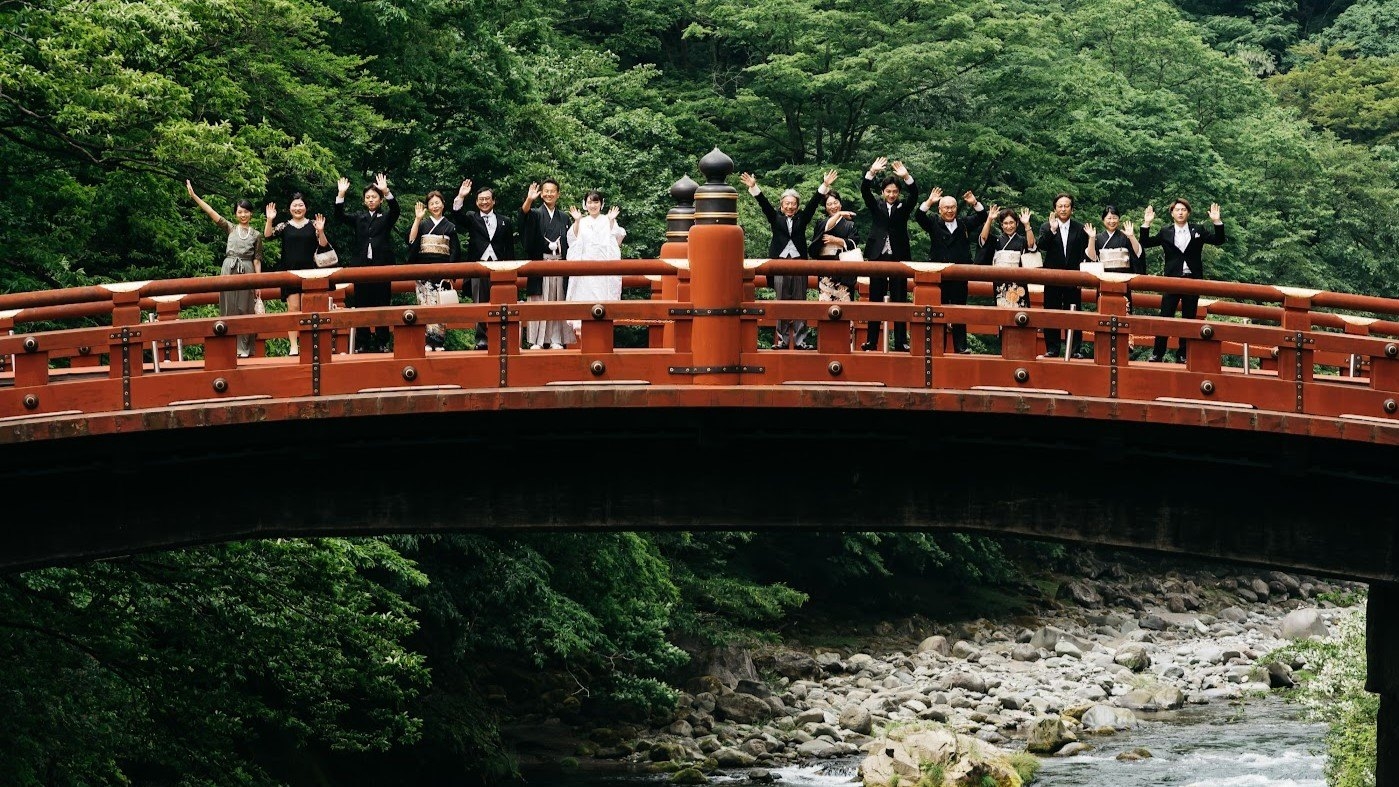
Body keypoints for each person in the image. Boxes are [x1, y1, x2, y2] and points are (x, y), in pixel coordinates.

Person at [740, 169, 834, 350]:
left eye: (793, 204)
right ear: (782, 205)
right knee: (781, 302)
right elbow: (764, 204)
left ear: (797, 206)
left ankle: (800, 341)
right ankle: (783, 340)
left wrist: (825, 186)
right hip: (780, 265)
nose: (790, 207)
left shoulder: (802, 219)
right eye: (787, 204)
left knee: (800, 302)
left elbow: (814, 203)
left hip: (799, 265)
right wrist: (754, 187)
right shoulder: (775, 218)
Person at [1139, 199, 1225, 363]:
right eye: (1177, 210)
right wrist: (1146, 223)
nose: (1180, 212)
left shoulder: (1197, 230)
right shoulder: (1166, 232)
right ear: (1172, 213)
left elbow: (1218, 240)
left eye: (1183, 210)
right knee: (1165, 316)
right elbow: (1145, 243)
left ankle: (1183, 354)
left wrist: (1217, 221)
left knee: (1189, 318)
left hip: (1192, 279)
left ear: (1188, 213)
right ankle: (1158, 352)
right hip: (1172, 279)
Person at [186, 180, 264, 358]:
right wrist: (194, 196)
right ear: (236, 214)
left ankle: (244, 349)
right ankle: (230, 348)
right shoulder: (230, 228)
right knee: (228, 308)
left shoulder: (256, 235)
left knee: (245, 309)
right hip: (228, 267)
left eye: (246, 211)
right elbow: (212, 212)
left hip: (248, 269)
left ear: (251, 213)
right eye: (240, 211)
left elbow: (257, 260)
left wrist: (260, 283)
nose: (243, 214)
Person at [915, 187, 988, 353]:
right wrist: (929, 201)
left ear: (956, 208)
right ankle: (937, 347)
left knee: (959, 311)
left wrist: (974, 203)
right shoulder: (933, 223)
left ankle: (961, 347)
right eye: (946, 208)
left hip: (959, 274)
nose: (949, 211)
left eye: (952, 207)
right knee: (938, 311)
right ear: (940, 209)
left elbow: (982, 216)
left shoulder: (963, 223)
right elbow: (919, 216)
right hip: (939, 275)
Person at [334, 173, 400, 352]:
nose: (371, 200)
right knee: (362, 304)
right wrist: (341, 194)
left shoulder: (385, 217)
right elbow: (339, 216)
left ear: (380, 200)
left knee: (382, 304)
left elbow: (396, 211)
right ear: (364, 201)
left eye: (374, 197)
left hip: (382, 266)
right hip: (361, 266)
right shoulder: (359, 218)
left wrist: (387, 191)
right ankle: (362, 343)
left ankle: (382, 342)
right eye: (368, 197)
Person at [859, 157, 920, 351]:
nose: (892, 194)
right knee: (875, 299)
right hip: (877, 255)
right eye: (888, 191)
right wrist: (872, 172)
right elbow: (864, 191)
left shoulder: (904, 208)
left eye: (895, 191)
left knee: (899, 298)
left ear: (898, 193)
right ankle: (871, 340)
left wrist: (906, 176)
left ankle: (901, 341)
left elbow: (915, 194)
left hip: (898, 255)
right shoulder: (876, 206)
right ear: (883, 192)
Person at [264, 193, 331, 356]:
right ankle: (294, 345)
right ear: (289, 208)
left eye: (300, 205)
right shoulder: (284, 226)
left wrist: (321, 231)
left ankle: (310, 345)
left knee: (310, 309)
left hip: (311, 273)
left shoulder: (314, 224)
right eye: (294, 205)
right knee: (293, 309)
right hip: (291, 273)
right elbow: (268, 235)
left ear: (305, 207)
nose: (297, 208)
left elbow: (323, 245)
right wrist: (270, 219)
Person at [453, 180, 515, 350]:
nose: (484, 202)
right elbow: (457, 215)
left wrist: (512, 270)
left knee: (501, 302)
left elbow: (509, 247)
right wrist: (461, 196)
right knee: (479, 301)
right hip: (478, 265)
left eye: (488, 199)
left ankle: (501, 337)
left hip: (499, 265)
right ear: (476, 202)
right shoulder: (472, 218)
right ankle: (481, 338)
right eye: (481, 199)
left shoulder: (505, 221)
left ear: (493, 201)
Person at [1037, 194, 1097, 359]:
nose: (1063, 209)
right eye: (1060, 206)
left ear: (1072, 208)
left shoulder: (1080, 228)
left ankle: (1075, 349)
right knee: (1051, 311)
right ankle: (1052, 348)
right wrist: (1052, 230)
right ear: (1055, 209)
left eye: (1066, 206)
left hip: (1073, 277)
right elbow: (1041, 246)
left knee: (1074, 312)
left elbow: (1088, 254)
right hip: (1052, 277)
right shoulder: (1046, 226)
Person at [564, 190, 626, 337]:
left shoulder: (607, 219)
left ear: (601, 204)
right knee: (583, 302)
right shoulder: (582, 221)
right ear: (585, 204)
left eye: (596, 201)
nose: (593, 205)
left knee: (603, 302)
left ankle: (602, 334)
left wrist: (611, 221)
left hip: (603, 271)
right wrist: (577, 221)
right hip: (585, 271)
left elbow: (618, 239)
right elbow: (572, 240)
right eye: (590, 202)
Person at [520, 179, 573, 349]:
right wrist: (529, 199)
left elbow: (571, 241)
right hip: (540, 262)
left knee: (558, 299)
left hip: (559, 263)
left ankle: (556, 338)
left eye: (552, 191)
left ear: (558, 194)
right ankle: (537, 340)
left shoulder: (564, 217)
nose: (549, 194)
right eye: (546, 191)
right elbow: (524, 215)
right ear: (541, 194)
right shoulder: (535, 213)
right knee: (539, 300)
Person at [406, 190, 461, 351]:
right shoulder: (423, 224)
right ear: (428, 207)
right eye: (432, 204)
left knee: (440, 306)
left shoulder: (450, 226)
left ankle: (439, 342)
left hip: (443, 272)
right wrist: (417, 219)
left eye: (438, 202)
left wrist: (451, 273)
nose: (435, 206)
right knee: (425, 305)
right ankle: (427, 342)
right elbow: (412, 241)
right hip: (424, 271)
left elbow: (455, 251)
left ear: (443, 204)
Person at [977, 206, 1038, 310]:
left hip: (1018, 281)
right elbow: (983, 238)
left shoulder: (1022, 240)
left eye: (1011, 223)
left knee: (1020, 312)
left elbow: (1031, 245)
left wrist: (1027, 224)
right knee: (1001, 310)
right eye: (1005, 223)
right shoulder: (996, 240)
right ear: (1001, 225)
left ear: (1017, 223)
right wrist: (989, 219)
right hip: (1000, 281)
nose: (1008, 226)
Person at [809, 186, 859, 304]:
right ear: (825, 208)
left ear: (840, 204)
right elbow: (814, 246)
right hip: (826, 270)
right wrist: (840, 214)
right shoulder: (822, 224)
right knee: (825, 305)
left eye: (835, 203)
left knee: (845, 306)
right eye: (829, 204)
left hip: (844, 270)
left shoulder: (849, 225)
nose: (833, 207)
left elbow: (854, 243)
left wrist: (836, 240)